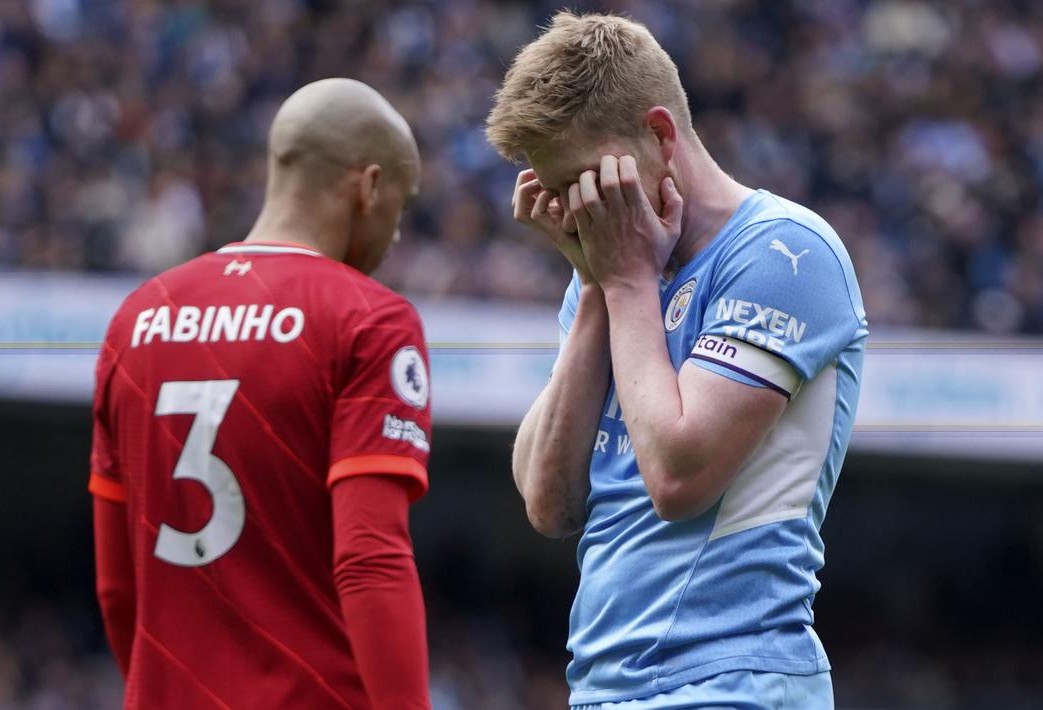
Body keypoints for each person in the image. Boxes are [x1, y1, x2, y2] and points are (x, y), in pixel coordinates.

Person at [487, 12, 868, 710]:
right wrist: (600, 286)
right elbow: (547, 501)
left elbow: (676, 476)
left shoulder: (786, 253)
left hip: (733, 684)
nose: (572, 207)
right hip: (601, 689)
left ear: (660, 136)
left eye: (582, 178)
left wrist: (625, 280)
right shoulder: (612, 267)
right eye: (553, 186)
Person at [88, 78, 432, 710]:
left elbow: (117, 588)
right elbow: (369, 559)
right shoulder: (369, 320)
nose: (397, 233)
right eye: (402, 207)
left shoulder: (136, 317)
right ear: (369, 187)